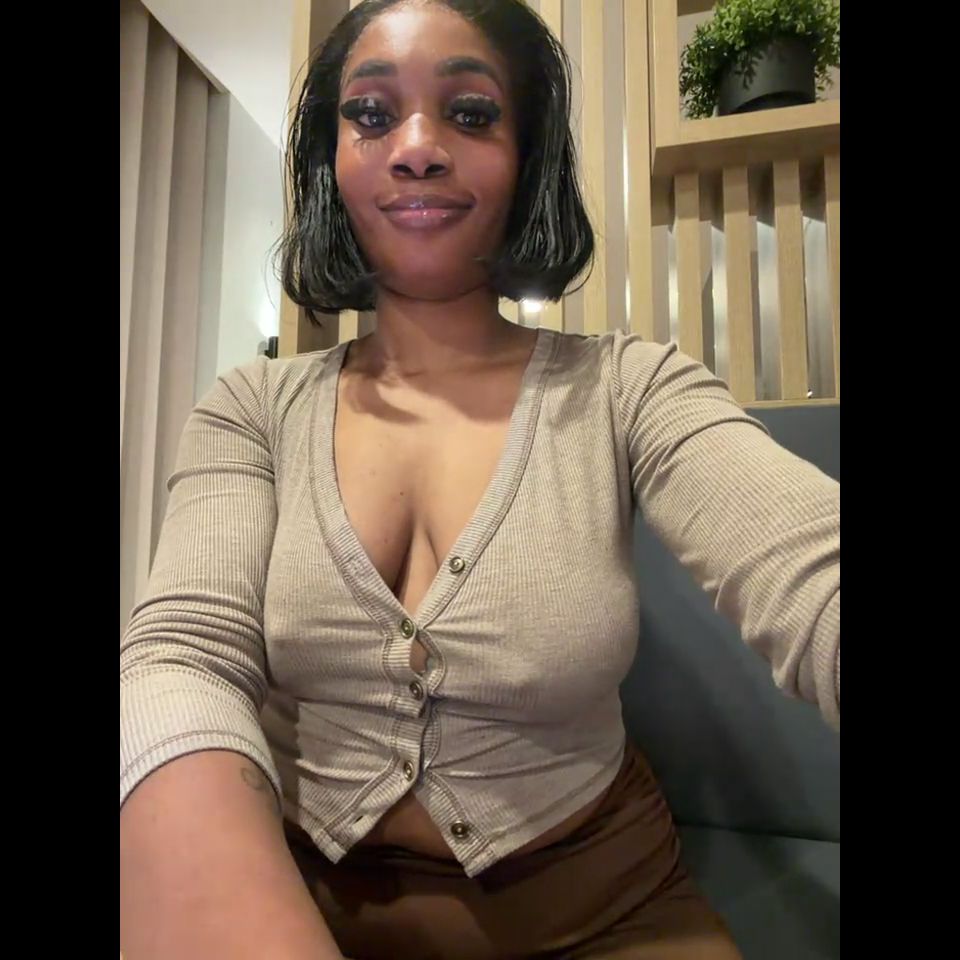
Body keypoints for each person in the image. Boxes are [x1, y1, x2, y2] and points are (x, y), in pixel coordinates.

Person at [119, 1, 840, 958]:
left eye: (469, 113)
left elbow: (811, 572)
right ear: (330, 160)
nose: (417, 148)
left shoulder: (629, 388)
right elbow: (183, 659)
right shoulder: (251, 407)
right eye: (371, 115)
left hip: (607, 910)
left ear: (525, 156)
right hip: (293, 899)